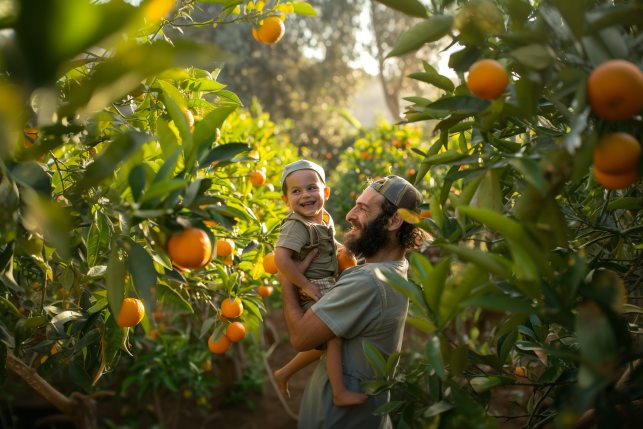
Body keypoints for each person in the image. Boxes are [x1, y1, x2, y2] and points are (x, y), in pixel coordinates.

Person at [281, 175, 427, 428]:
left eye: (363, 208)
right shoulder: (394, 268)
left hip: (338, 420)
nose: (350, 214)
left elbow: (301, 338)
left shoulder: (368, 281)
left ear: (394, 221)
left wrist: (286, 277)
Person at [273, 160, 368, 406]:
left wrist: (346, 251)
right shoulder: (297, 225)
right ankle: (339, 392)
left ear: (325, 192)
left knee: (325, 339)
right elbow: (280, 259)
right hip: (313, 286)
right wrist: (304, 284)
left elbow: (330, 245)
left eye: (311, 188)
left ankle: (284, 373)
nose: (305, 195)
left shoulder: (323, 219)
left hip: (326, 281)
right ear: (286, 200)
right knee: (333, 335)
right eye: (296, 191)